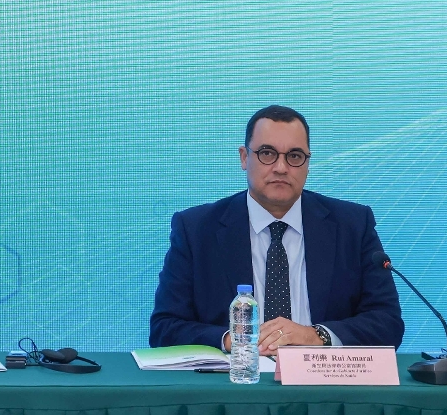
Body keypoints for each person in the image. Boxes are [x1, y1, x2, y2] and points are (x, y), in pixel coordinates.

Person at [150, 105, 403, 354]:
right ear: (244, 157)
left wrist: (317, 335)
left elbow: (387, 322)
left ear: (307, 162)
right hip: (236, 376)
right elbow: (165, 328)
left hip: (323, 377)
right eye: (267, 153)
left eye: (294, 156)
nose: (281, 167)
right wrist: (235, 340)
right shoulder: (196, 230)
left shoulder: (353, 225)